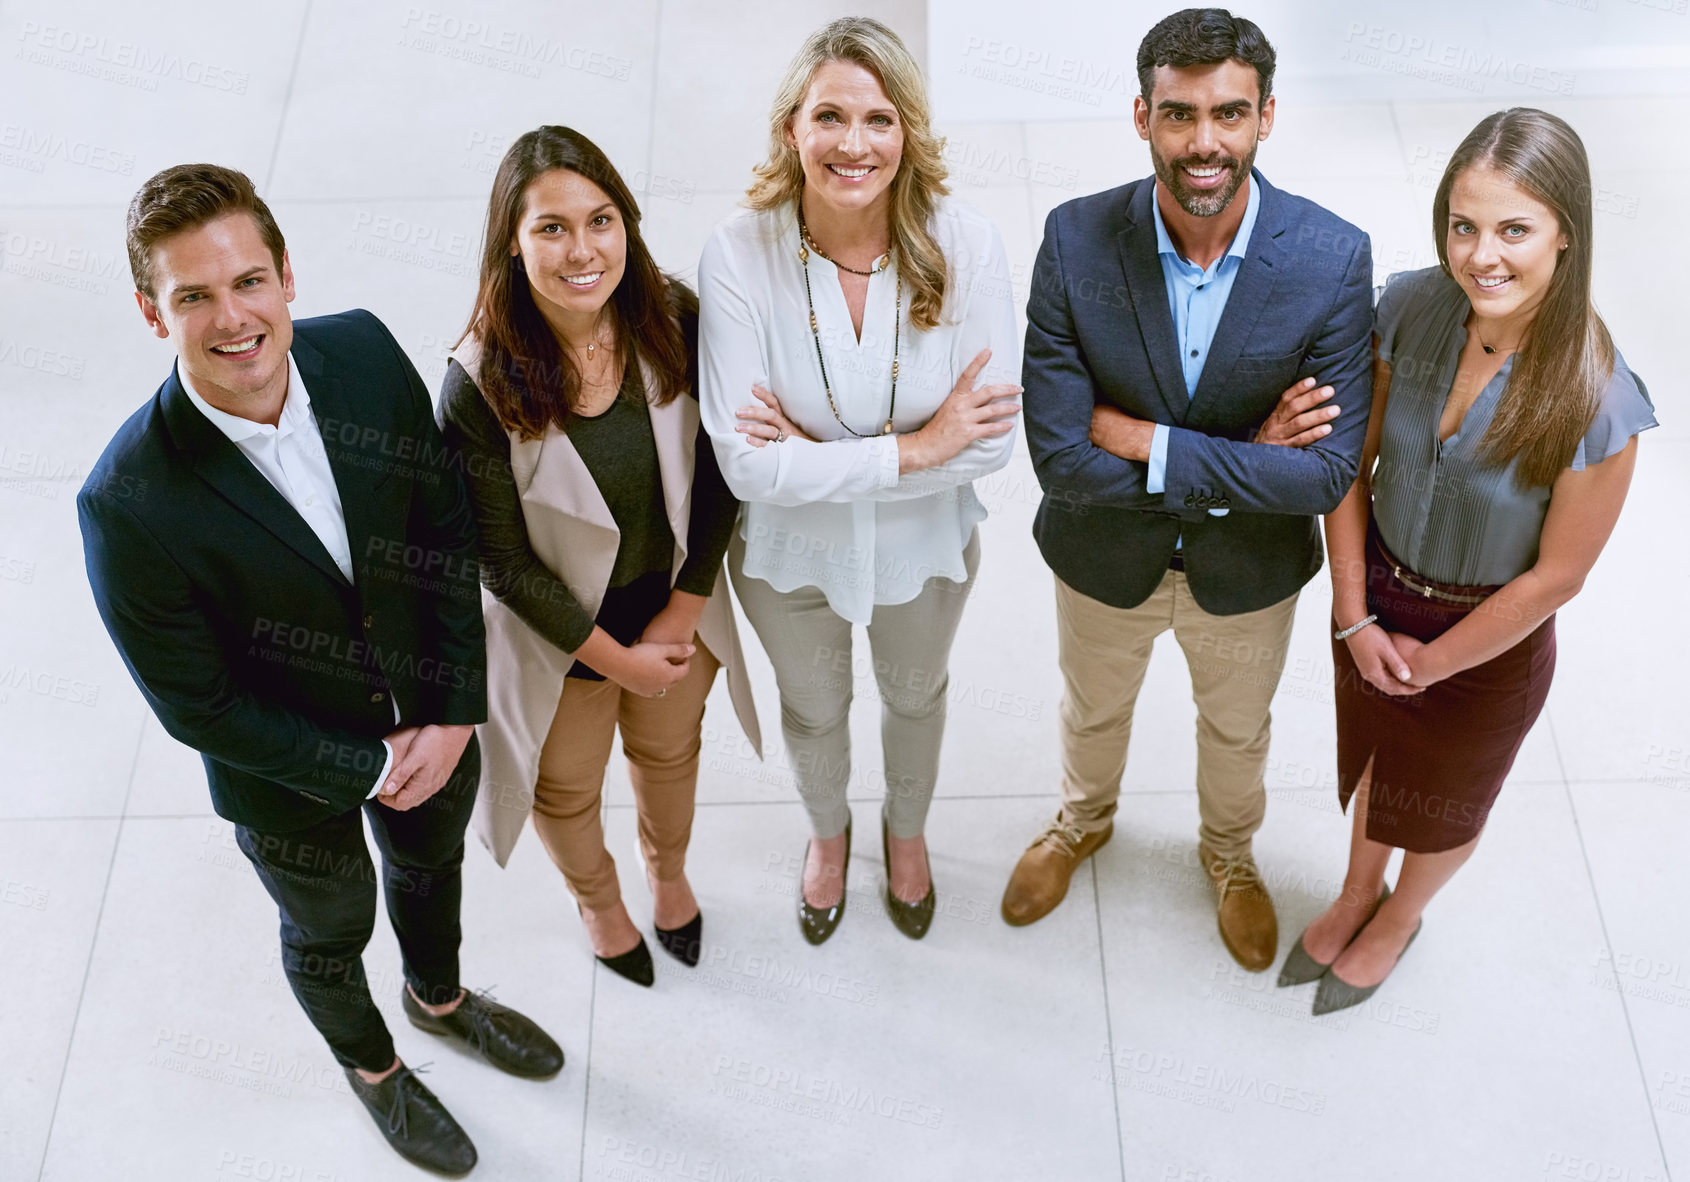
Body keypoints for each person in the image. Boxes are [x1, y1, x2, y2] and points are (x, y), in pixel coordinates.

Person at [78, 164, 561, 1176]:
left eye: (248, 281)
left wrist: (454, 710)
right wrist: (368, 768)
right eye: (192, 296)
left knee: (431, 872)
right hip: (292, 780)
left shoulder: (363, 352)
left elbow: (439, 522)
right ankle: (375, 1070)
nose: (232, 318)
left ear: (287, 274)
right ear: (147, 311)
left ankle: (438, 1001)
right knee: (329, 929)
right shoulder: (126, 501)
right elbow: (197, 703)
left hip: (431, 714)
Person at [1003, 8, 1375, 975]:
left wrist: (1152, 443)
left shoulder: (1332, 258)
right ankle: (1082, 823)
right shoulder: (1074, 239)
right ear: (1142, 117)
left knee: (1237, 729)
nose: (1205, 143)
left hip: (1247, 574)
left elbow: (1325, 474)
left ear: (1266, 116)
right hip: (1100, 560)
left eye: (1229, 114)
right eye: (1179, 115)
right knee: (1091, 713)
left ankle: (1230, 858)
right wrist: (1249, 452)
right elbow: (1059, 458)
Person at [1278, 108, 1655, 1013]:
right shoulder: (1407, 307)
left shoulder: (1600, 399)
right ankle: (1357, 890)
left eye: (1515, 229)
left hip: (1485, 644)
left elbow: (1556, 579)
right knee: (1375, 766)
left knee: (1447, 800)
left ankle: (1402, 914)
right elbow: (1346, 467)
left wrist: (1433, 663)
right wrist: (1353, 613)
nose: (1482, 254)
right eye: (1464, 224)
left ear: (1568, 235)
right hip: (1373, 599)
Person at [698, 17, 1021, 944]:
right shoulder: (739, 253)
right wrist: (916, 447)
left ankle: (906, 832)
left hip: (926, 547)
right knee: (813, 708)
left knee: (916, 697)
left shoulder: (968, 243)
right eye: (828, 115)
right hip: (786, 554)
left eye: (879, 119)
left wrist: (816, 450)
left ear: (909, 132)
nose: (853, 143)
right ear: (790, 128)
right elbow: (747, 463)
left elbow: (991, 444)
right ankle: (829, 834)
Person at [438, 126, 760, 988]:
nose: (582, 249)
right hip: (563, 639)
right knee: (566, 792)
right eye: (550, 227)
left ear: (628, 224)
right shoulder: (477, 381)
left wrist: (685, 608)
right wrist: (618, 660)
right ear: (512, 240)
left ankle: (667, 875)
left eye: (601, 219)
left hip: (672, 610)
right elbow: (501, 562)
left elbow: (729, 470)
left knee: (670, 757)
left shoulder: (676, 317)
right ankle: (599, 902)